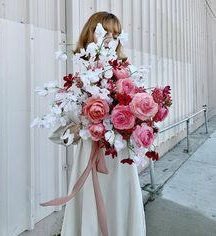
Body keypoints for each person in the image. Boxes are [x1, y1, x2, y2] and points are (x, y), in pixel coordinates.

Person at [49, 12, 146, 236]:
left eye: (115, 34)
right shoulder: (76, 82)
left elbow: (142, 120)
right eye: (103, 31)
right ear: (89, 34)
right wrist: (82, 128)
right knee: (90, 214)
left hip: (120, 163)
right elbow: (57, 134)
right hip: (88, 162)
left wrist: (133, 123)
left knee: (120, 212)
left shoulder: (128, 76)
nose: (109, 38)